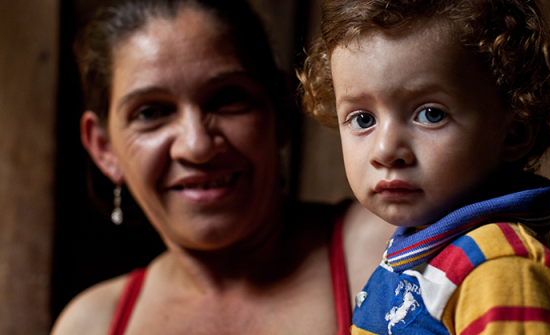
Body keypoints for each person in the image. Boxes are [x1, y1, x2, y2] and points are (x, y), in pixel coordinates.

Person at [51, 0, 395, 334]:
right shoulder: (90, 323)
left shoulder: (390, 252)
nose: (197, 146)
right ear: (104, 148)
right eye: (151, 113)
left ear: (279, 110)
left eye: (227, 98)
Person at [298, 0, 550, 334]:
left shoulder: (499, 274)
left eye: (431, 114)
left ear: (514, 133)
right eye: (363, 119)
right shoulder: (425, 252)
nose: (386, 150)